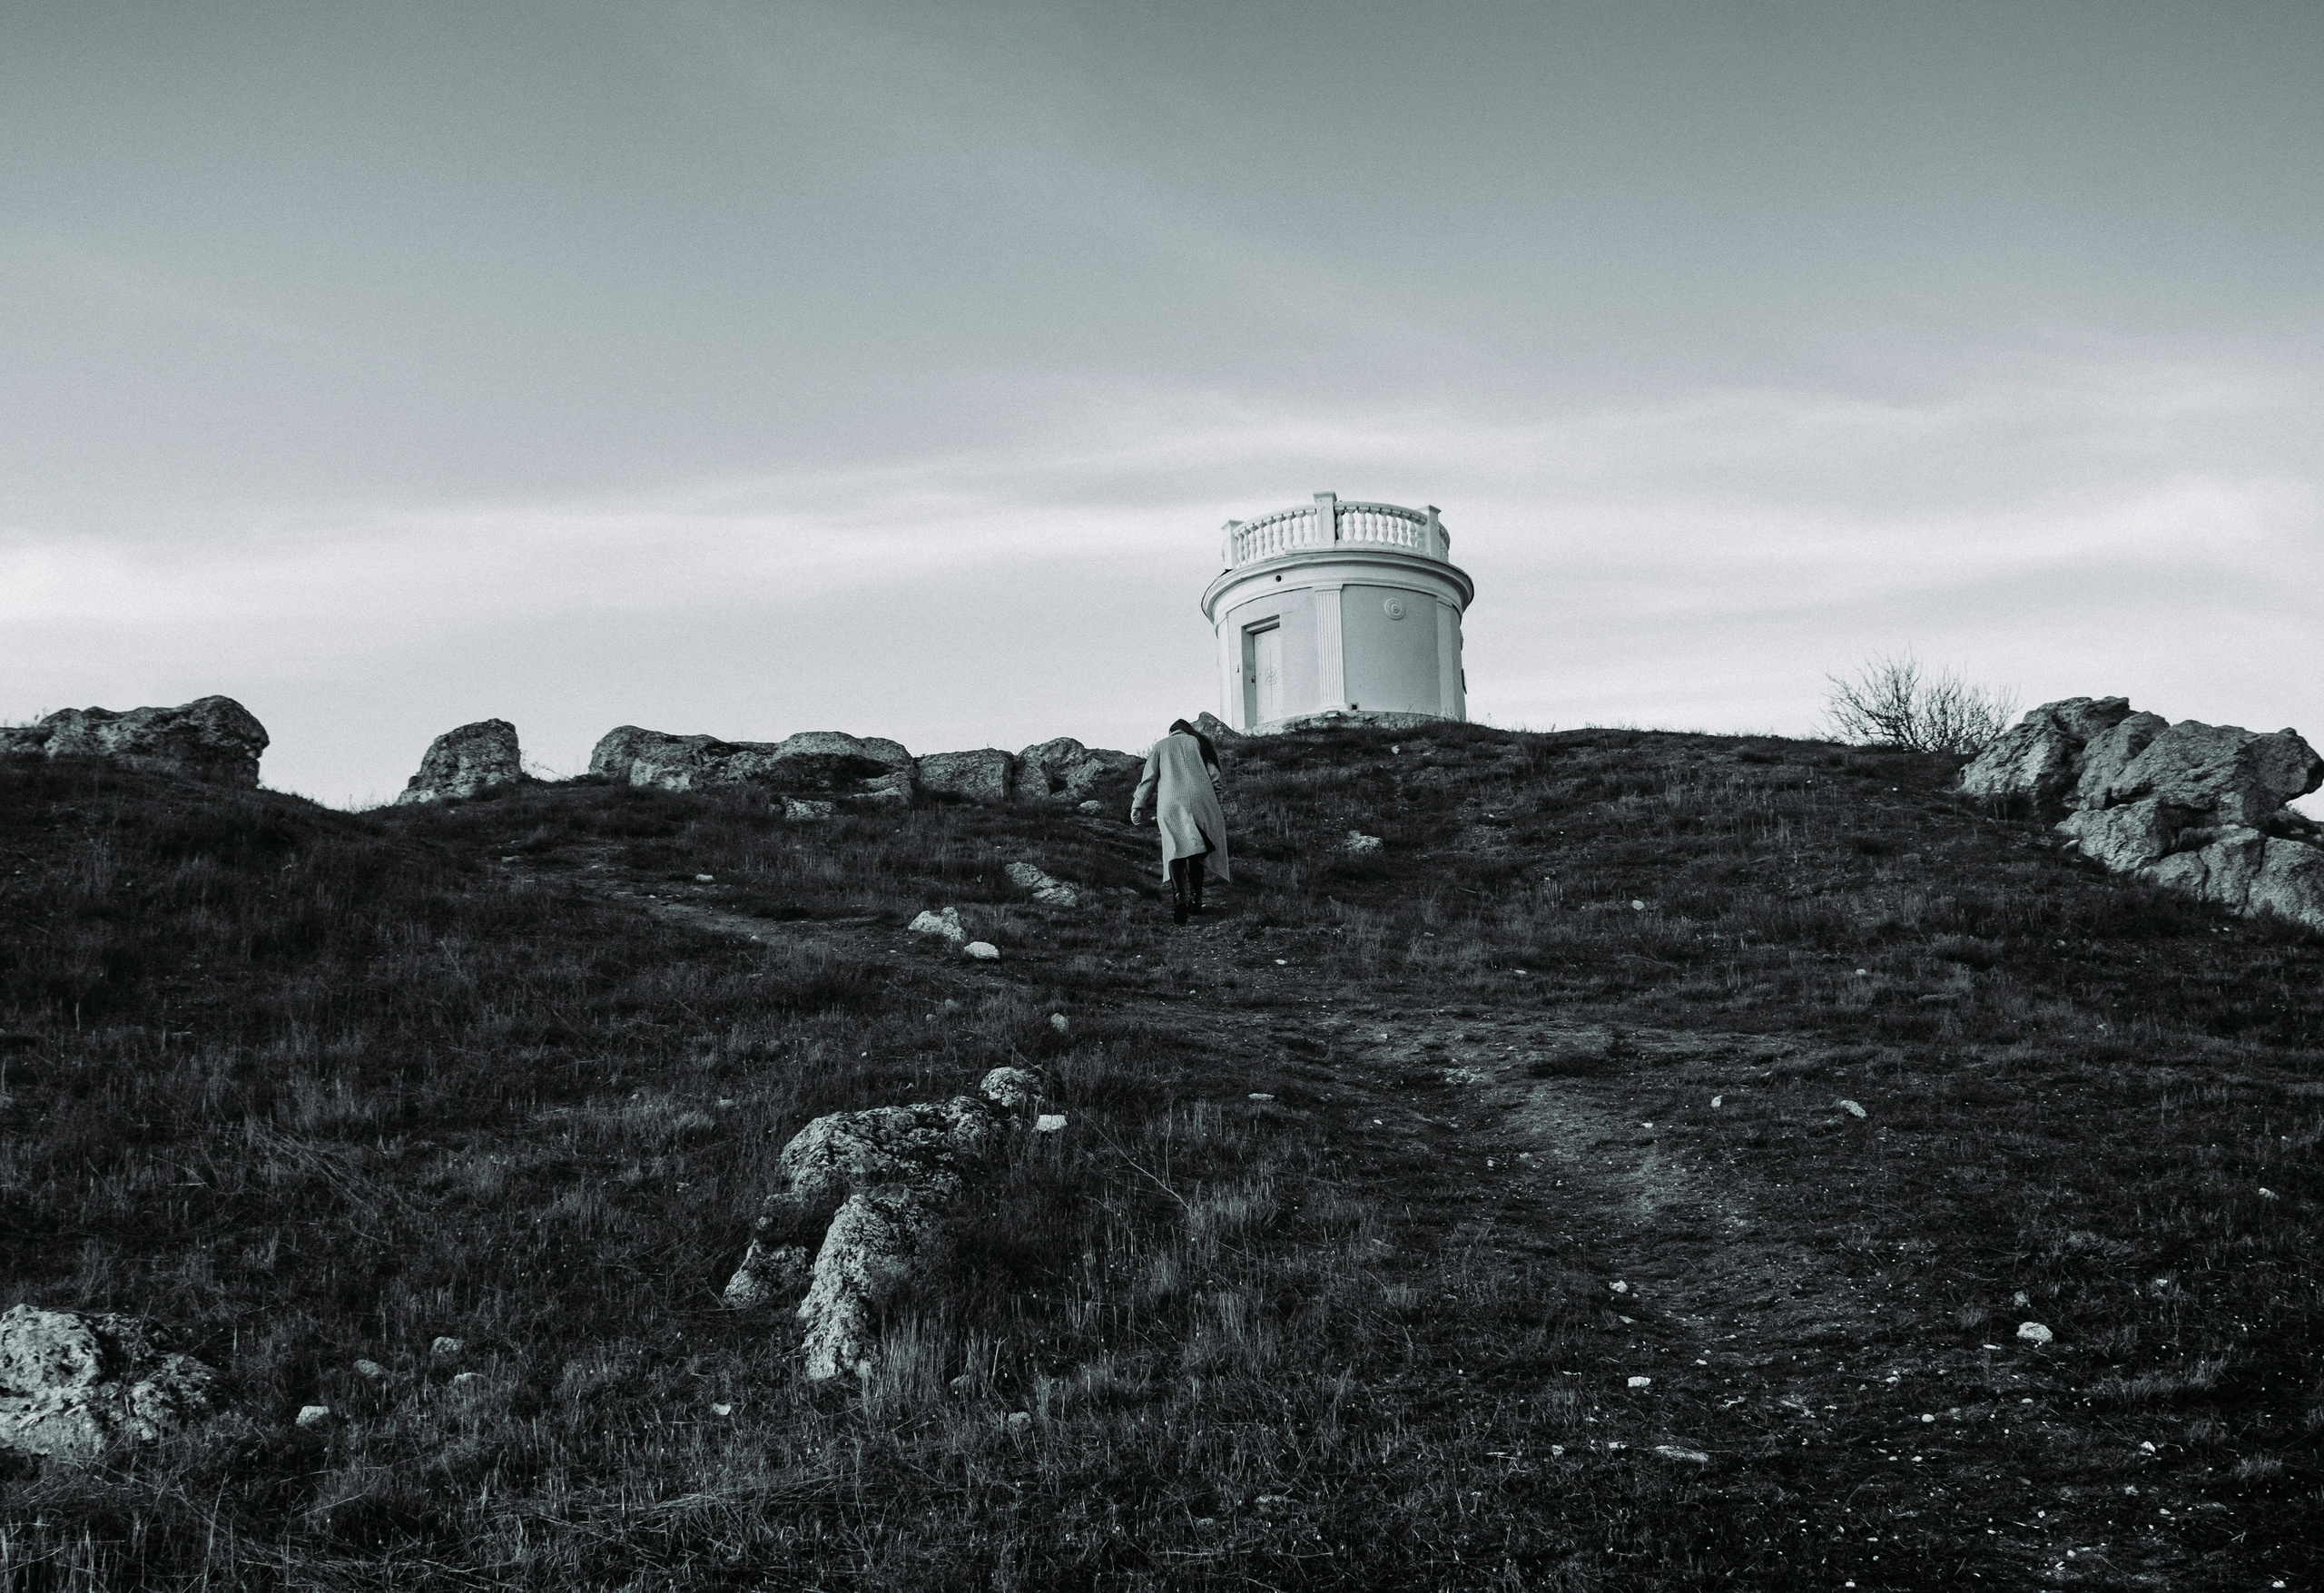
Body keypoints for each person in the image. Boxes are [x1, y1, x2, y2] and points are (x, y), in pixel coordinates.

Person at [1128, 718, 1230, 925]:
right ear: (1188, 730)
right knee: (1196, 850)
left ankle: (1178, 898)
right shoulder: (1200, 743)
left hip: (1171, 802)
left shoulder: (1160, 746)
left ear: (1171, 732)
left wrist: (1137, 805)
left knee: (1175, 849)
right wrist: (1217, 801)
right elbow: (1215, 776)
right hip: (1201, 800)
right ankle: (1196, 899)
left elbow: (1148, 780)